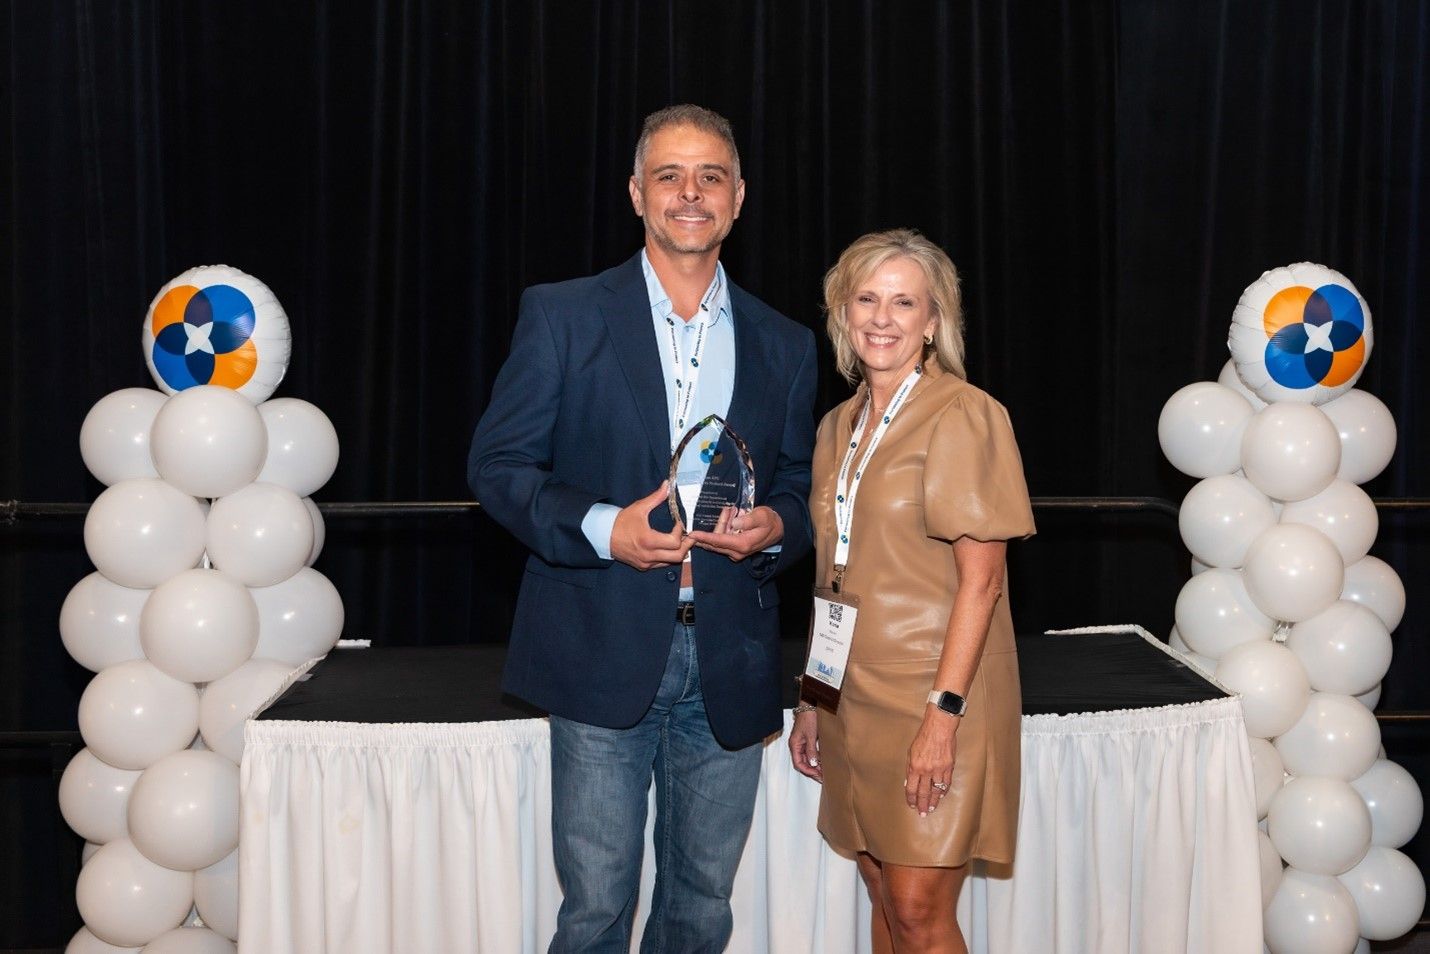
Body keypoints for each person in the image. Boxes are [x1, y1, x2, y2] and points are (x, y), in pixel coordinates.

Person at [468, 104, 816, 952]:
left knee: (701, 910)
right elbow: (500, 466)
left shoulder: (787, 342)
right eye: (669, 175)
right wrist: (601, 528)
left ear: (739, 198)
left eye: (710, 177)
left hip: (731, 657)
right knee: (594, 911)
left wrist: (774, 525)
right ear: (636, 193)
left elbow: (807, 487)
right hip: (598, 646)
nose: (689, 193)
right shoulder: (563, 314)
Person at [788, 229, 1034, 954]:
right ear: (843, 312)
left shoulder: (964, 414)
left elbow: (983, 582)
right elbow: (831, 575)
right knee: (878, 886)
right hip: (853, 692)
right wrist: (813, 696)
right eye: (867, 298)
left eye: (904, 302)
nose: (883, 317)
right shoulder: (837, 426)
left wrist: (943, 714)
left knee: (918, 905)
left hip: (936, 690)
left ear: (933, 322)